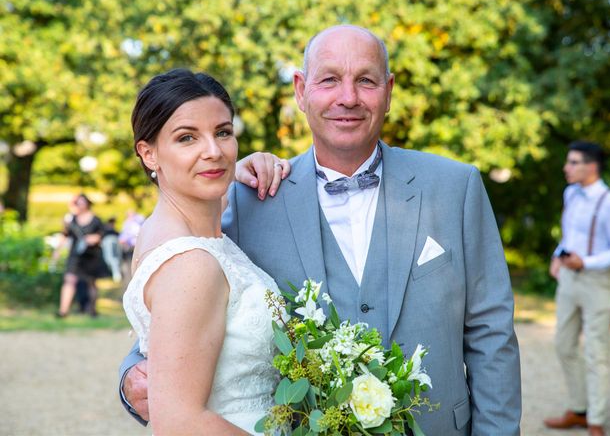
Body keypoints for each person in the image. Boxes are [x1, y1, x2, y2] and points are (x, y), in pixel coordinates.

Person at [121, 25, 521, 435]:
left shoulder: (455, 188)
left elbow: (491, 335)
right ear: (300, 90)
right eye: (329, 80)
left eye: (366, 80)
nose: (348, 97)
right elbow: (171, 318)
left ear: (389, 91)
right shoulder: (247, 201)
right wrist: (129, 376)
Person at [122, 68, 287, 434]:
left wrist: (243, 167)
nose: (213, 151)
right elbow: (180, 422)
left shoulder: (166, 231)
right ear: (149, 154)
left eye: (223, 133)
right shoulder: (191, 264)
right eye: (187, 138)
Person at [544, 141, 610, 436]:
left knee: (596, 352)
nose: (566, 168)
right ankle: (578, 409)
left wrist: (587, 262)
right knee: (563, 345)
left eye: (573, 162)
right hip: (569, 280)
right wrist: (559, 256)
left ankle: (596, 419)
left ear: (591, 166)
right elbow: (570, 234)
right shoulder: (571, 194)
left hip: (598, 282)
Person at [56, 193, 110, 317]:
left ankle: (92, 309)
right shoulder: (71, 219)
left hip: (91, 255)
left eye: (82, 202)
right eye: (77, 203)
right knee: (69, 280)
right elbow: (64, 234)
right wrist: (57, 251)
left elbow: (103, 234)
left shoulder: (96, 219)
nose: (80, 205)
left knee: (91, 282)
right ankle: (63, 311)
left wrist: (95, 238)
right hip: (76, 255)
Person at [118, 209, 145, 287]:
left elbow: (136, 234)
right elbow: (123, 235)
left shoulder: (139, 221)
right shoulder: (126, 223)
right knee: (128, 270)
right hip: (128, 249)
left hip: (136, 248)